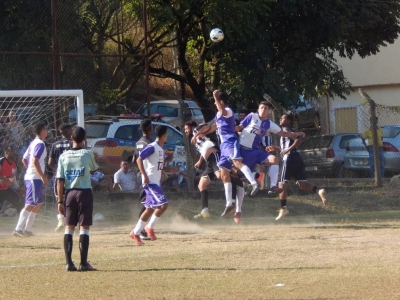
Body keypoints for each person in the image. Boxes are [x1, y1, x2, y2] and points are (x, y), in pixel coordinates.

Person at [192, 90, 259, 217]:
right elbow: (212, 127)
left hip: (230, 141)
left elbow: (222, 110)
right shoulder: (218, 114)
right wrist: (200, 134)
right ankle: (229, 204)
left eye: (216, 101)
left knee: (237, 163)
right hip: (223, 147)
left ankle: (254, 183)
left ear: (221, 101)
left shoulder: (228, 111)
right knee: (224, 174)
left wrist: (215, 97)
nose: (215, 103)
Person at [236, 101, 306, 196]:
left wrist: (296, 133)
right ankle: (247, 186)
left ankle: (273, 186)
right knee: (238, 175)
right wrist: (227, 130)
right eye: (262, 108)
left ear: (268, 111)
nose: (264, 110)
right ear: (258, 110)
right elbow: (239, 127)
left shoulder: (269, 123)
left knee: (274, 160)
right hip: (243, 151)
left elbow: (283, 133)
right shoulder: (252, 116)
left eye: (266, 108)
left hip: (256, 151)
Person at [266, 114, 327, 220]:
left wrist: (287, 150)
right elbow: (286, 146)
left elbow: (298, 141)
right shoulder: (286, 132)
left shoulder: (288, 129)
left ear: (289, 121)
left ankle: (283, 209)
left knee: (282, 185)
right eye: (280, 118)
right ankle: (319, 191)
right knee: (302, 184)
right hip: (296, 158)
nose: (280, 119)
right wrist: (277, 148)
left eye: (283, 118)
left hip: (289, 158)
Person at [56, 126, 99, 271]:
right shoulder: (87, 154)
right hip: (84, 192)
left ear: (71, 138)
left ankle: (69, 263)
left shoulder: (63, 156)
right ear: (85, 138)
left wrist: (60, 201)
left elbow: (60, 180)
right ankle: (84, 263)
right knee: (84, 227)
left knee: (69, 227)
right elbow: (94, 168)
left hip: (69, 194)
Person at [129, 125, 169, 245]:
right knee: (164, 205)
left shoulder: (161, 149)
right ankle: (149, 227)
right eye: (166, 135)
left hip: (155, 182)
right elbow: (139, 159)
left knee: (150, 208)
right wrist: (144, 175)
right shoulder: (152, 147)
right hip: (150, 182)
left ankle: (135, 232)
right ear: (163, 136)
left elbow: (156, 166)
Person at [13, 123, 49, 237]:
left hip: (34, 177)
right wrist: (42, 176)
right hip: (34, 178)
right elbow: (34, 161)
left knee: (37, 204)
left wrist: (31, 170)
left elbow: (24, 159)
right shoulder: (40, 144)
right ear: (42, 130)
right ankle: (18, 229)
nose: (47, 131)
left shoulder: (33, 143)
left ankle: (27, 230)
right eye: (46, 129)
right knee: (30, 203)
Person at [48, 123, 73, 232]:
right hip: (71, 175)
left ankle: (60, 221)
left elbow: (50, 162)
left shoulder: (55, 144)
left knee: (59, 198)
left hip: (59, 176)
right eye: (71, 130)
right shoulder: (72, 144)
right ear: (68, 132)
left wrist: (56, 170)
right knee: (71, 197)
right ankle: (70, 221)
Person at [132, 119, 153, 240]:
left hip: (142, 174)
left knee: (149, 204)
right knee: (148, 204)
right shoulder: (149, 143)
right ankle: (139, 231)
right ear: (150, 128)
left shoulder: (139, 142)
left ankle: (141, 230)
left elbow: (134, 159)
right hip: (147, 175)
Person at [0, 146, 23, 213]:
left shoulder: (14, 164)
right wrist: (4, 179)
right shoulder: (1, 161)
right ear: (6, 153)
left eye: (13, 151)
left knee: (20, 202)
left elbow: (13, 177)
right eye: (11, 151)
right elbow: (6, 179)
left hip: (6, 189)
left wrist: (18, 188)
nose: (13, 153)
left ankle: (21, 223)